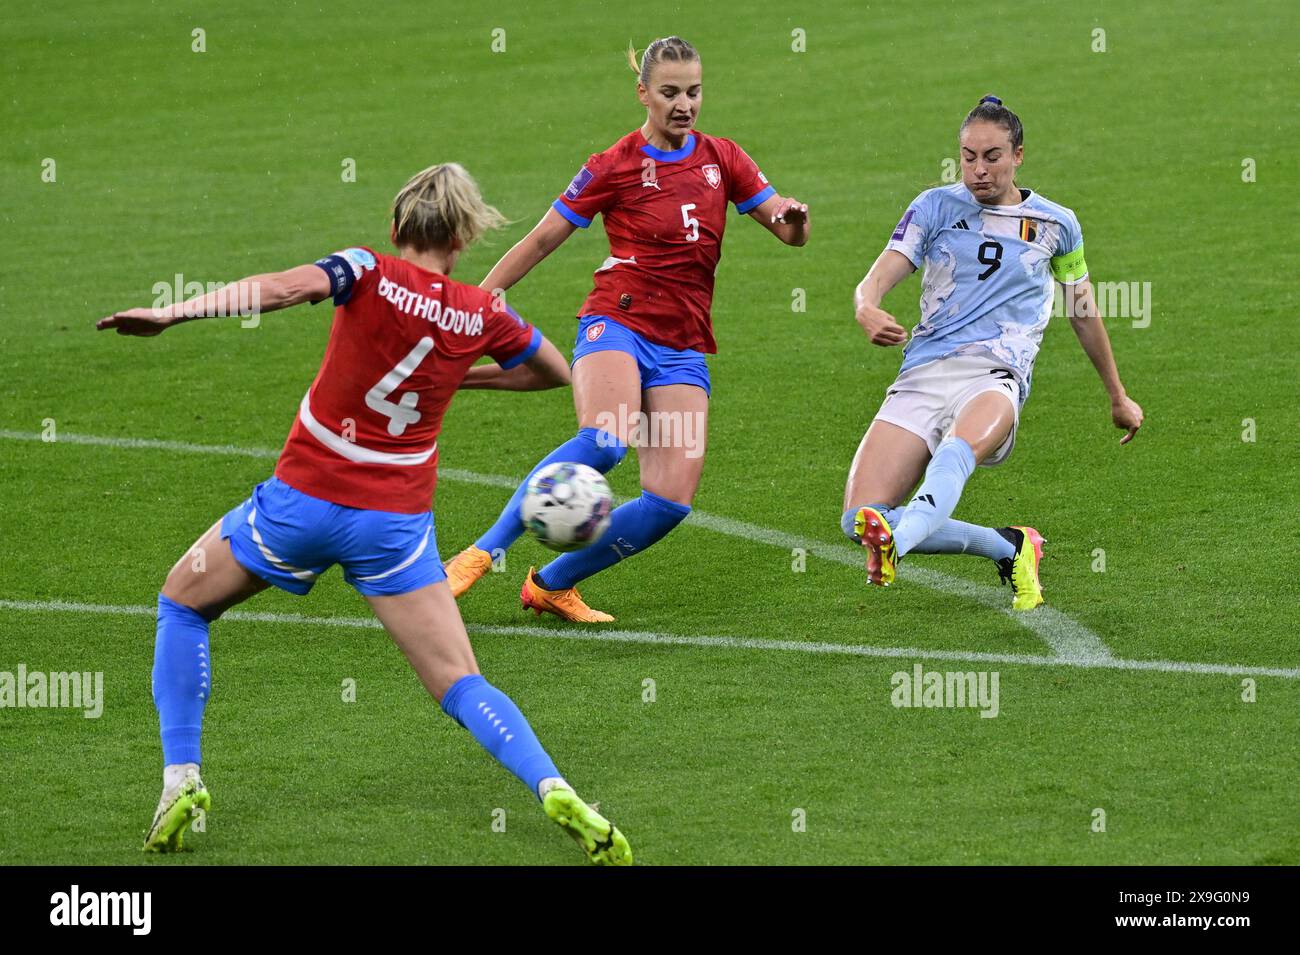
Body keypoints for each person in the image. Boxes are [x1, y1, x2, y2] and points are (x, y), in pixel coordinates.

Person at [96, 163, 632, 865]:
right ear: (465, 234)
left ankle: (181, 781)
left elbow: (284, 290)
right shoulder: (482, 312)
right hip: (395, 527)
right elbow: (553, 369)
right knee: (461, 681)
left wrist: (172, 312)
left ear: (397, 225)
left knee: (183, 601)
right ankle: (553, 784)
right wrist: (452, 373)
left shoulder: (364, 269)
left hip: (303, 502)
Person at [444, 36, 810, 623]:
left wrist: (795, 221)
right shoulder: (612, 165)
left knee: (669, 502)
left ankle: (551, 584)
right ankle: (482, 552)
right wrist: (484, 295)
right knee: (606, 440)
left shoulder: (724, 158)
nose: (684, 103)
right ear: (643, 93)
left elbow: (788, 234)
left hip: (684, 344)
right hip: (616, 321)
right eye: (669, 93)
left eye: (693, 91)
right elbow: (543, 237)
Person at [843, 96, 1144, 609]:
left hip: (996, 374)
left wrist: (1117, 394)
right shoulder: (934, 206)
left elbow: (1082, 311)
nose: (978, 171)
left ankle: (900, 541)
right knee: (858, 521)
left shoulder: (1056, 225)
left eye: (992, 156)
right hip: (923, 372)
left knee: (953, 457)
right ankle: (1010, 545)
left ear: (1019, 155)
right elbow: (879, 274)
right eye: (968, 157)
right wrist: (865, 306)